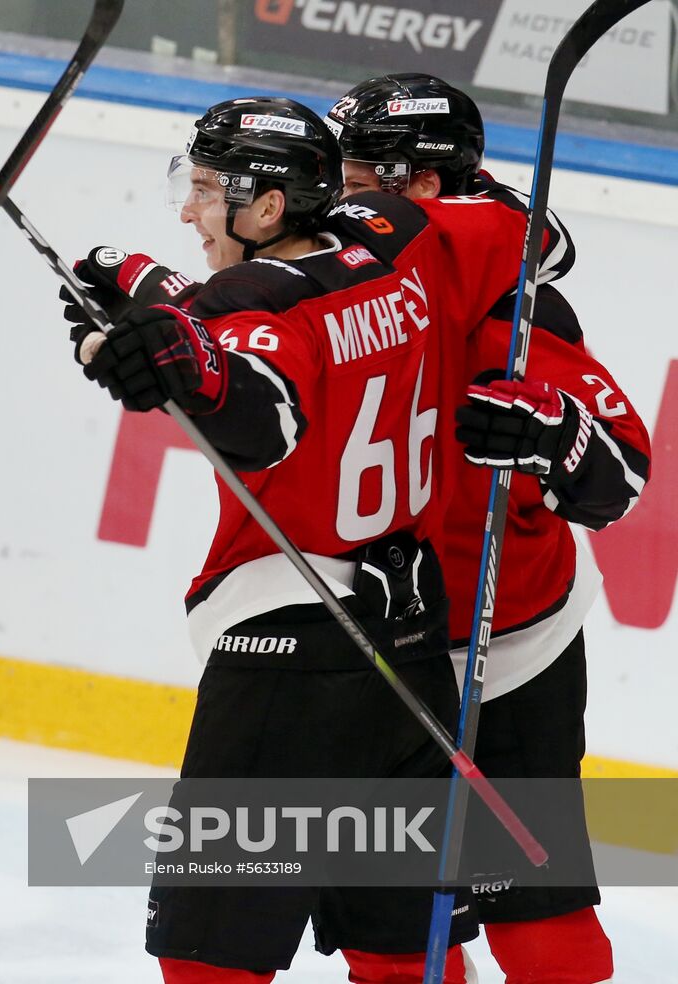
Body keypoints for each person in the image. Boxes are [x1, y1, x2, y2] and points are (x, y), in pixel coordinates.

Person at [62, 95, 553, 983]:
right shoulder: (400, 250)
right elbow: (537, 238)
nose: (187, 210)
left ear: (268, 207)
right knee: (402, 952)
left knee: (207, 958)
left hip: (291, 666)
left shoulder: (248, 309)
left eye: (206, 189)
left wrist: (177, 365)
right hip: (409, 645)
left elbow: (261, 408)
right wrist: (157, 299)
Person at [328, 73, 651, 984]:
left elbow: (621, 476)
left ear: (422, 187)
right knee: (388, 937)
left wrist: (553, 432)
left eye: (355, 181)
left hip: (512, 644)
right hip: (375, 639)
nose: (333, 200)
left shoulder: (519, 308)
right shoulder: (338, 279)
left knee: (540, 916)